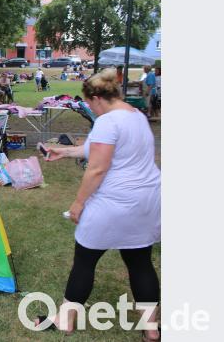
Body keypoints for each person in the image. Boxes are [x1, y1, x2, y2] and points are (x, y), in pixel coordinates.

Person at [36, 68, 161, 339]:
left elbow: (96, 168)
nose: (90, 109)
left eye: (88, 104)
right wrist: (65, 151)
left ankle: (65, 320)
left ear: (95, 98)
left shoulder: (107, 121)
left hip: (115, 201)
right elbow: (98, 147)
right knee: (140, 261)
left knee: (84, 259)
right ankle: (152, 329)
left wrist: (79, 203)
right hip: (147, 200)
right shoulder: (136, 116)